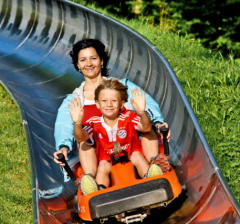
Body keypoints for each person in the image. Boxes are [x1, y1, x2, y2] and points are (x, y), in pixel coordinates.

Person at [53, 39, 170, 182]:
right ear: (78, 65)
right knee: (83, 142)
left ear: (101, 61)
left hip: (130, 142)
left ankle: (153, 166)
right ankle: (91, 180)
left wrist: (158, 122)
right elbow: (64, 126)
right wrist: (63, 146)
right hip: (99, 150)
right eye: (83, 60)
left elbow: (146, 104)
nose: (89, 63)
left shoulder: (122, 87)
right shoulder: (74, 100)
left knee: (146, 128)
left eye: (93, 58)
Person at [69, 79, 163, 194]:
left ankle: (151, 178)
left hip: (130, 154)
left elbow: (146, 128)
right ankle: (98, 191)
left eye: (114, 101)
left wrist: (142, 112)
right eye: (104, 101)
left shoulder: (128, 116)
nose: (109, 104)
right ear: (98, 104)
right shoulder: (94, 123)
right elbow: (81, 137)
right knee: (102, 166)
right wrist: (77, 123)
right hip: (107, 159)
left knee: (137, 156)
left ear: (121, 104)